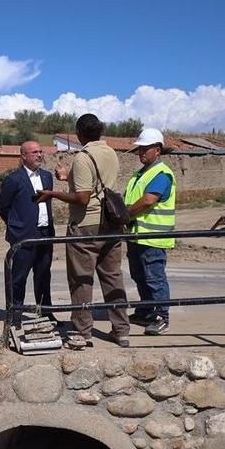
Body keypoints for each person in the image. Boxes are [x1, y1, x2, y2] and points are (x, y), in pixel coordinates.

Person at [37, 114, 129, 348]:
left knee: (81, 279)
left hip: (86, 225)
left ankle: (82, 332)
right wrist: (67, 179)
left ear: (79, 134)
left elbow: (83, 197)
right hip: (111, 224)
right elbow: (98, 186)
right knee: (113, 277)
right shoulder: (111, 153)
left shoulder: (82, 157)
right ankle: (121, 330)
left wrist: (53, 193)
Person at [123, 127, 176, 336]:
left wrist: (125, 215)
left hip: (153, 238)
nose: (141, 152)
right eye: (139, 149)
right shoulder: (139, 174)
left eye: (145, 148)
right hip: (136, 236)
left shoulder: (161, 174)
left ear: (157, 150)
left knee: (154, 277)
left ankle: (162, 316)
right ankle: (146, 310)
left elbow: (148, 200)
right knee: (139, 276)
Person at [0, 140, 54, 315]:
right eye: (34, 152)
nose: (39, 155)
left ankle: (46, 312)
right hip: (23, 236)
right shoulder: (13, 179)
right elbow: (3, 207)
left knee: (43, 276)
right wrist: (17, 225)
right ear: (24, 156)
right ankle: (15, 313)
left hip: (45, 233)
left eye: (40, 151)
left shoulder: (47, 176)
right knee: (18, 277)